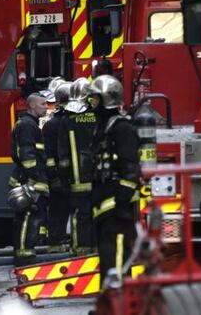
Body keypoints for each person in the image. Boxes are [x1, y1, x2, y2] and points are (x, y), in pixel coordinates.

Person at [89, 75, 141, 285]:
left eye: (95, 98)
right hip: (104, 207)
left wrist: (121, 203)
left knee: (117, 257)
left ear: (106, 98)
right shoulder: (103, 126)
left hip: (117, 209)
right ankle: (109, 302)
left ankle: (119, 300)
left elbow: (130, 169)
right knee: (107, 257)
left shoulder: (122, 128)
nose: (92, 102)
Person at [9, 93, 50, 265]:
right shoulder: (27, 125)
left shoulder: (30, 124)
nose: (46, 107)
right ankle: (24, 256)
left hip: (30, 178)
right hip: (29, 180)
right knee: (28, 216)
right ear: (32, 106)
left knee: (31, 216)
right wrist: (33, 178)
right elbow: (26, 155)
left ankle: (26, 252)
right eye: (42, 103)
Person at [59, 77, 98, 256]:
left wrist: (64, 176)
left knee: (79, 215)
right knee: (97, 213)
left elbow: (63, 152)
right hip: (99, 178)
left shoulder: (67, 120)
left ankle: (81, 250)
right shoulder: (98, 116)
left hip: (76, 179)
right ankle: (96, 247)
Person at [43, 80, 71, 253]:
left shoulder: (50, 124)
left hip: (58, 177)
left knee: (57, 212)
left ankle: (55, 246)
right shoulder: (75, 121)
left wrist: (53, 176)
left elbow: (48, 154)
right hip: (74, 176)